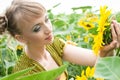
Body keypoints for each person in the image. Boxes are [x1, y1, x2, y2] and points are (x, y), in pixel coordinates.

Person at [0, 0, 120, 80]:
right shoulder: (24, 73)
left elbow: (97, 61)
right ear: (21, 38)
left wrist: (107, 48)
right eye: (37, 28)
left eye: (46, 19)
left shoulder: (54, 45)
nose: (48, 29)